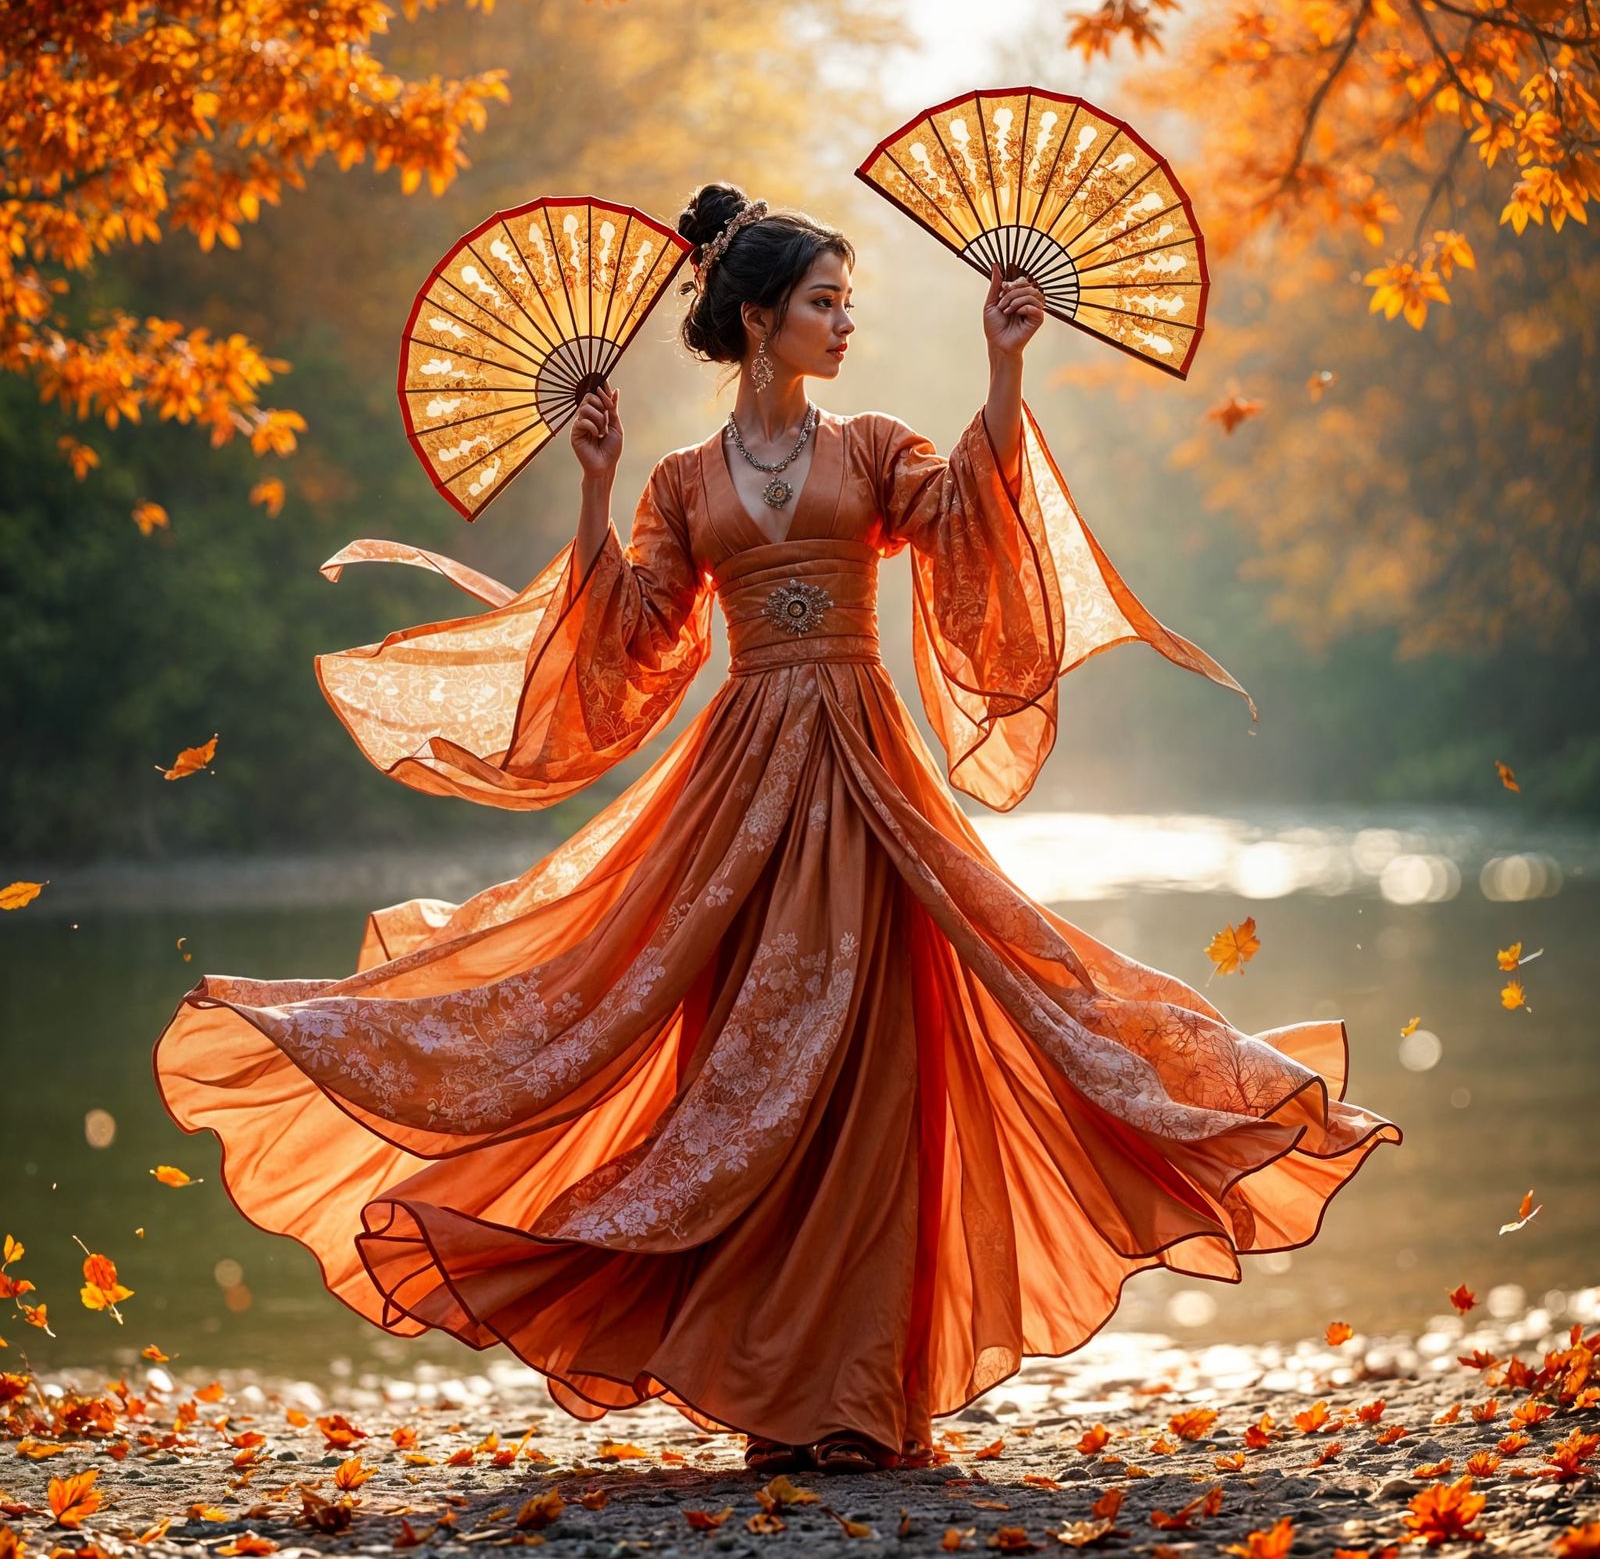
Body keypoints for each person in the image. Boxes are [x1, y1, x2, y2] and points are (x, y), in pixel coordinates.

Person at [154, 182, 1403, 1478]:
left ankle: (859, 1401)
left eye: (846, 302)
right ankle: (770, 1393)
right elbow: (631, 641)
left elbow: (966, 525)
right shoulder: (683, 480)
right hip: (740, 791)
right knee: (740, 1074)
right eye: (823, 302)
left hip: (867, 778)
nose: (844, 321)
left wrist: (1002, 369)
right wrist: (591, 490)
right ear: (757, 320)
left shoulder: (870, 450)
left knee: (875, 1071)